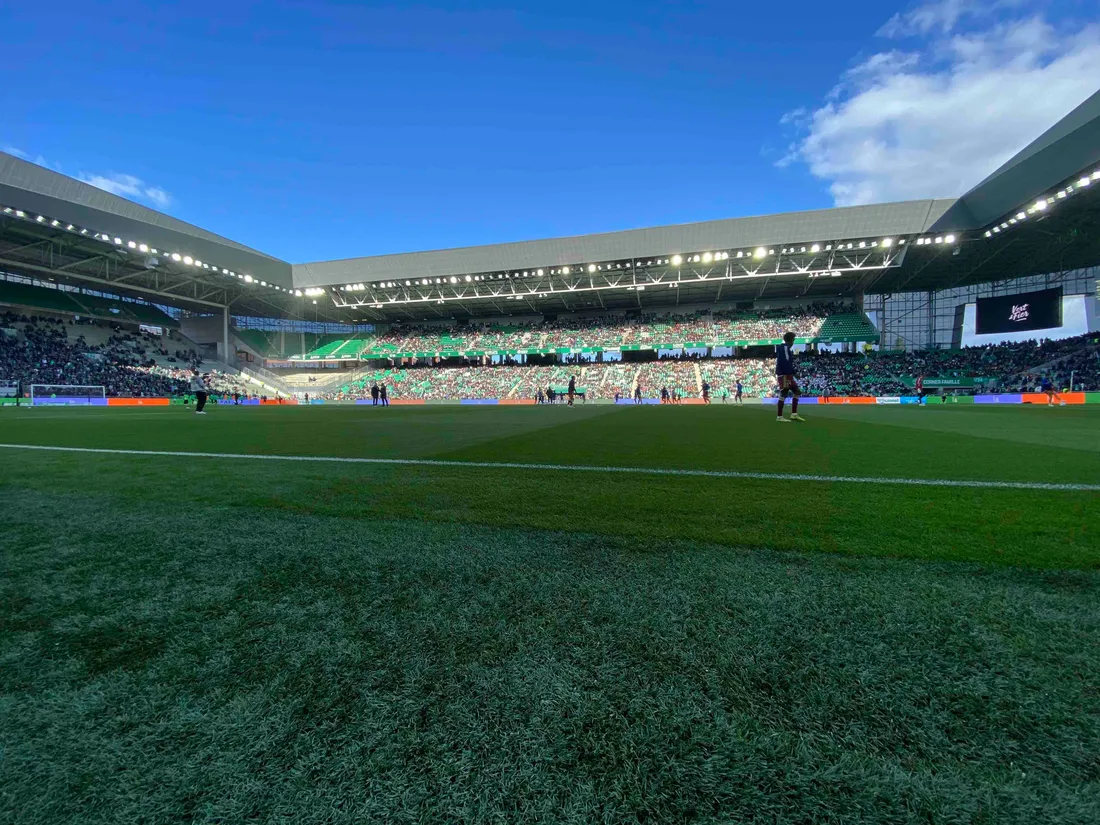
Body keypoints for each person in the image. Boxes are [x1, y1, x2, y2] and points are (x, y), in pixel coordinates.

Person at [775, 331, 805, 422]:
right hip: (785, 374)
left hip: (787, 374)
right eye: (793, 340)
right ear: (790, 340)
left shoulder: (784, 348)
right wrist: (794, 373)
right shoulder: (785, 348)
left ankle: (794, 414)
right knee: (784, 393)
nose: (793, 342)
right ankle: (779, 416)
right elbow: (786, 362)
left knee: (797, 392)